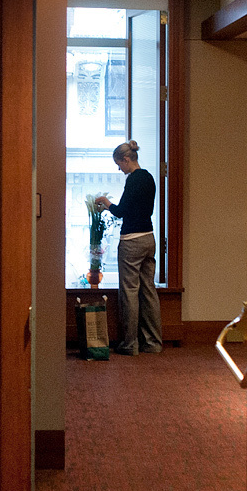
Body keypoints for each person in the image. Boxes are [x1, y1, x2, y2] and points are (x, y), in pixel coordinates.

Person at [94, 140, 162, 355]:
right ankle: (153, 343)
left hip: (131, 241)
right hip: (149, 239)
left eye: (118, 163)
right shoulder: (149, 177)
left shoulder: (133, 180)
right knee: (149, 290)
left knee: (130, 292)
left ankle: (130, 344)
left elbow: (121, 211)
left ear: (126, 159)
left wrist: (105, 201)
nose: (119, 168)